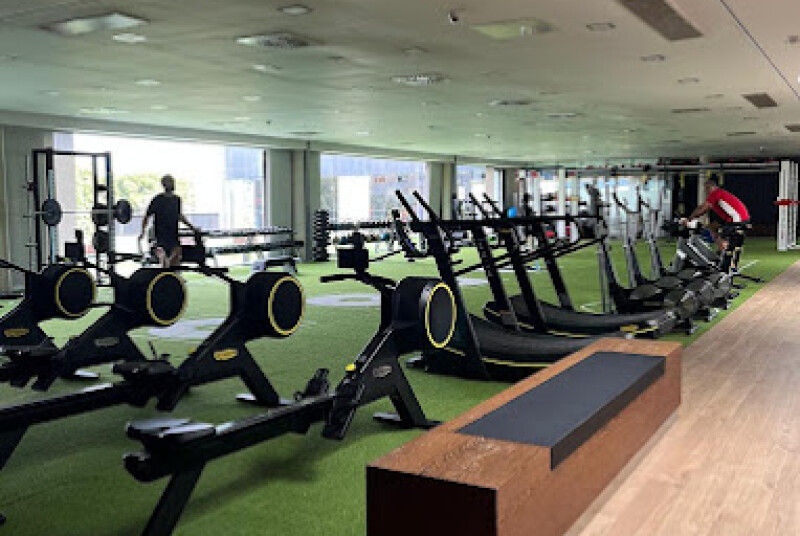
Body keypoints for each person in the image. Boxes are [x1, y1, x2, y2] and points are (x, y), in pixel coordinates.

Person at [683, 175, 750, 271]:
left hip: (737, 220)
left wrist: (689, 218)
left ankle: (727, 261)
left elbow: (703, 208)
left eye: (707, 188)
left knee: (725, 239)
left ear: (712, 187)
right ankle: (720, 253)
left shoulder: (716, 194)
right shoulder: (720, 194)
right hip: (735, 218)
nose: (705, 191)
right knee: (712, 227)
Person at [138, 174, 198, 267]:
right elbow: (147, 216)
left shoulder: (176, 200)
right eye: (169, 182)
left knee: (176, 255)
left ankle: (173, 271)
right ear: (164, 185)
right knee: (163, 256)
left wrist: (192, 228)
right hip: (160, 235)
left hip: (173, 235)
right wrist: (143, 232)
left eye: (172, 182)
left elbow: (179, 215)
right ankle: (165, 269)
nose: (172, 184)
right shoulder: (158, 199)